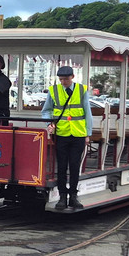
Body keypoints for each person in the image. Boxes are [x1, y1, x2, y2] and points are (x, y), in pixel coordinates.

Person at [41, 65, 93, 210]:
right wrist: (49, 123)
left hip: (78, 134)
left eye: (66, 79)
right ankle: (62, 197)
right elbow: (46, 111)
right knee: (62, 166)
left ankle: (73, 197)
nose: (63, 82)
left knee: (75, 166)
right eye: (61, 79)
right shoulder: (54, 90)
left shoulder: (82, 90)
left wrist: (88, 133)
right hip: (62, 133)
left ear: (73, 77)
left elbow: (87, 112)